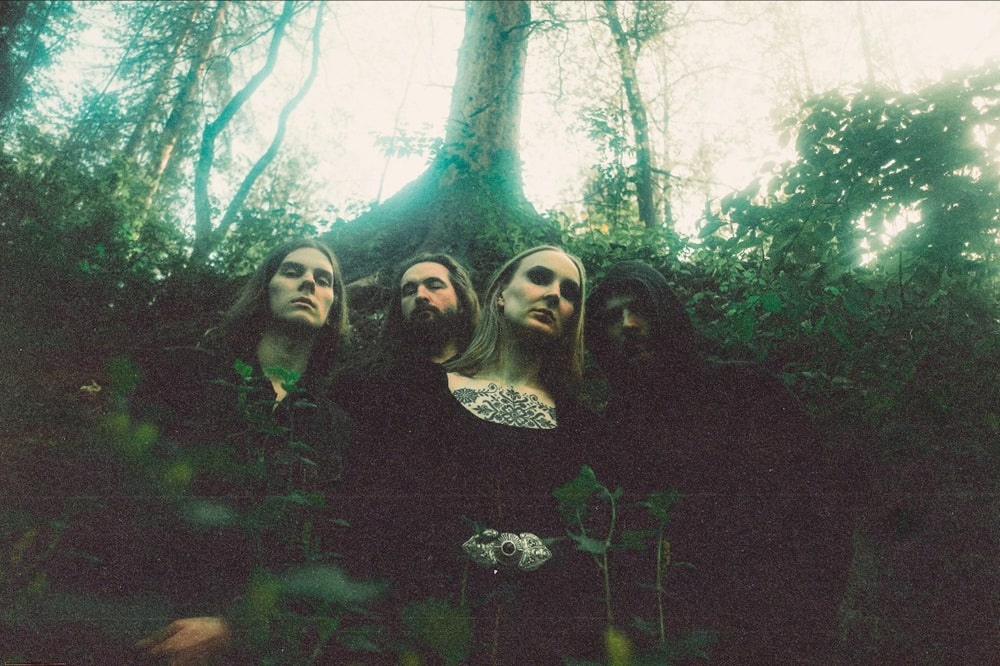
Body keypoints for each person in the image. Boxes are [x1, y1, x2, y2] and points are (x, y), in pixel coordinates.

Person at [336, 245, 607, 664]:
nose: (554, 294)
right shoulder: (419, 392)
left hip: (536, 637)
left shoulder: (582, 425)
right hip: (430, 625)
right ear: (500, 294)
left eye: (569, 292)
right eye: (539, 278)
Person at [584, 260, 855, 665]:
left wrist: (802, 622)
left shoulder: (747, 391)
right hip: (667, 638)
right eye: (611, 317)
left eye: (640, 308)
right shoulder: (612, 428)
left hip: (772, 629)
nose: (628, 324)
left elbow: (822, 510)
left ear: (666, 314)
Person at [127, 238, 355, 663]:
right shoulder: (184, 374)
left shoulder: (335, 430)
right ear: (265, 288)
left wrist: (236, 628)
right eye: (292, 271)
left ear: (333, 307)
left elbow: (327, 555)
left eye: (323, 280)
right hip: (140, 621)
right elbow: (121, 496)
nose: (308, 282)